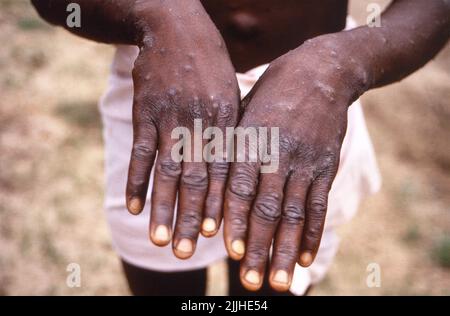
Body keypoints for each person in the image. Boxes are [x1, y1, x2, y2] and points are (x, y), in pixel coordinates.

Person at [31, 0, 449, 295]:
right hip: (166, 79)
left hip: (309, 102)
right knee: (160, 273)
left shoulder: (327, 78)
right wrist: (155, 12)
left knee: (271, 284)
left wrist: (341, 66)